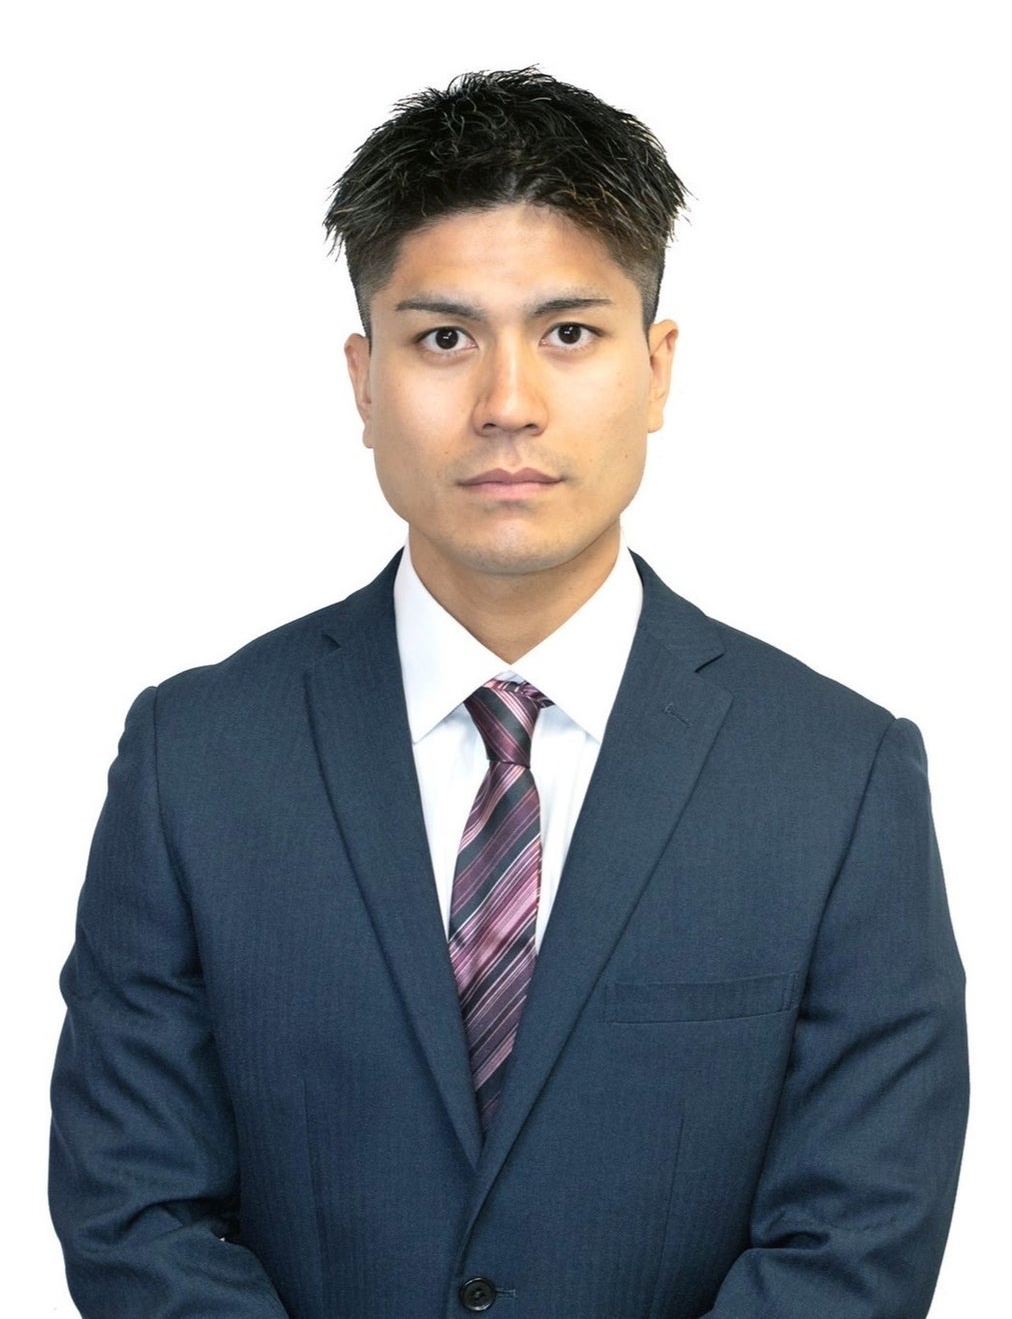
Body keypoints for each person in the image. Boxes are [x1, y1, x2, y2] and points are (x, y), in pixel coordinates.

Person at [49, 69, 968, 1318]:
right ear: (363, 379)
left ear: (658, 369)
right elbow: (134, 1209)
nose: (507, 406)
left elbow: (858, 1238)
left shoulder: (835, 776)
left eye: (568, 334)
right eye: (444, 339)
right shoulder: (195, 759)